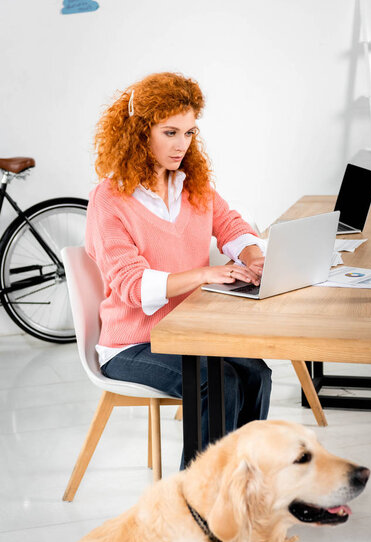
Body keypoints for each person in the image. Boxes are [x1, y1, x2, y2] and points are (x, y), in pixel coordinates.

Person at [86, 72, 272, 464]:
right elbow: (131, 285)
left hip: (191, 333)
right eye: (170, 132)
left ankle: (245, 480)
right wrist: (205, 274)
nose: (181, 145)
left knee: (257, 374)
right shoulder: (109, 200)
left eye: (189, 133)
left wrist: (253, 256)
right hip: (132, 344)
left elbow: (231, 226)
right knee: (216, 383)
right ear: (139, 132)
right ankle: (197, 496)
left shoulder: (192, 186)